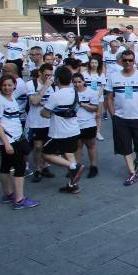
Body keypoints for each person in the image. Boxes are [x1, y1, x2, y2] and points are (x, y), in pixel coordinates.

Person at [0, 74, 37, 210]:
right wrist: (6, 143)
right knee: (20, 166)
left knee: (5, 165)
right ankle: (19, 199)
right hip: (8, 139)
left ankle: (8, 194)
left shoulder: (11, 98)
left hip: (14, 137)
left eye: (9, 85)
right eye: (4, 85)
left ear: (14, 85)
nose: (7, 87)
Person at [105, 49, 138, 186]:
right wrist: (113, 115)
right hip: (120, 118)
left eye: (130, 60)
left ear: (134, 61)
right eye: (125, 60)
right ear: (120, 61)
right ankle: (132, 173)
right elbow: (109, 98)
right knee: (125, 147)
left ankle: (136, 161)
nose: (127, 63)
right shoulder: (114, 77)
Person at [39, 66, 85, 195]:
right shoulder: (74, 92)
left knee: (46, 154)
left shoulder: (55, 96)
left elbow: (44, 113)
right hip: (74, 130)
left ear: (57, 79)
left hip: (58, 132)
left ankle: (74, 167)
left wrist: (49, 111)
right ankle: (73, 185)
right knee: (69, 154)